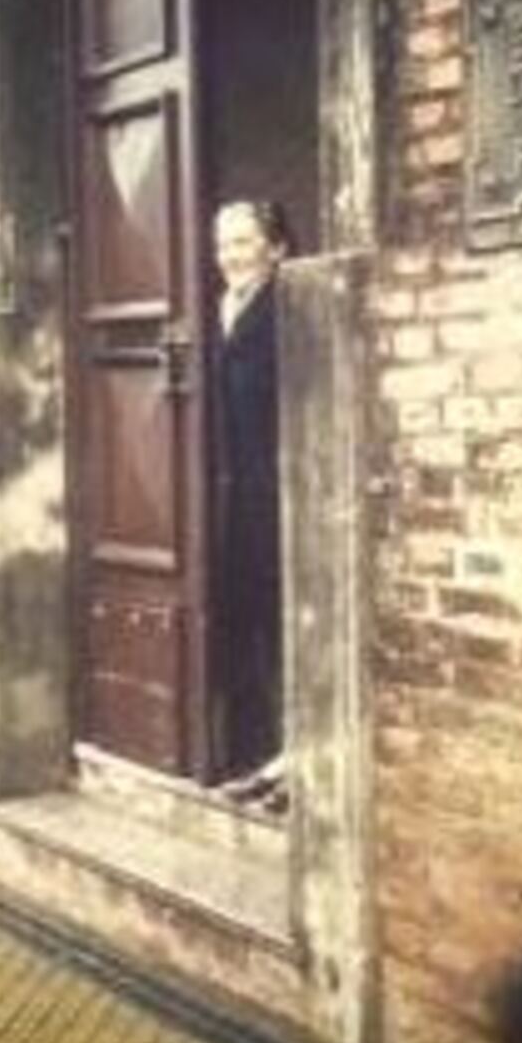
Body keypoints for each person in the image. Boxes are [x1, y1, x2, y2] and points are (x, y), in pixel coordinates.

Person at [212, 199, 291, 807]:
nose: (231, 256)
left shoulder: (288, 307)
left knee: (281, 624)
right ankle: (259, 757)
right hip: (232, 495)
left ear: (276, 247)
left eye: (243, 243)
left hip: (276, 490)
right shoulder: (222, 308)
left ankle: (290, 763)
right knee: (246, 627)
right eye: (223, 245)